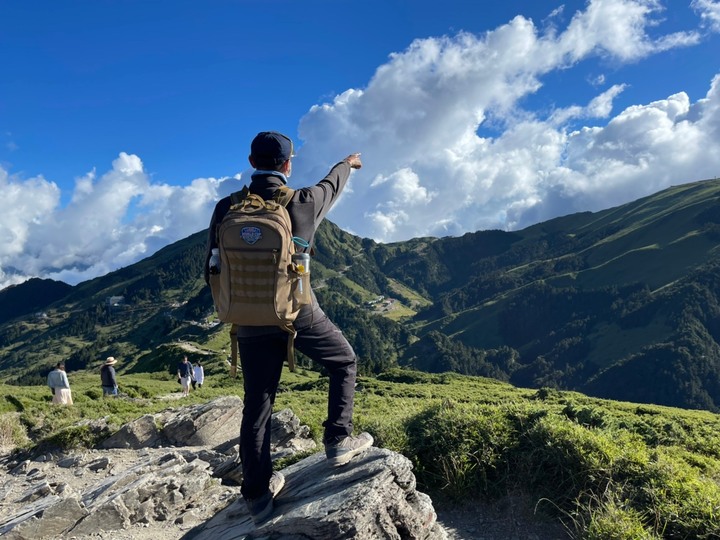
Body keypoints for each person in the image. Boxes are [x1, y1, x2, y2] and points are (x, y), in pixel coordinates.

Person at [204, 131, 373, 524]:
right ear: (288, 165)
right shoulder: (303, 201)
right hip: (298, 313)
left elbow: (210, 268)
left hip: (247, 320)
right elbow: (332, 183)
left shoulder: (225, 207)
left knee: (257, 406)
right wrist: (348, 163)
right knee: (344, 362)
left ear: (251, 161)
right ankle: (337, 440)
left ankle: (258, 496)